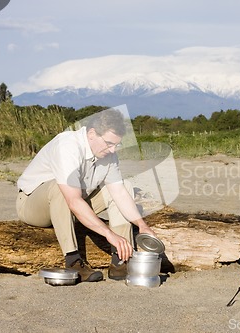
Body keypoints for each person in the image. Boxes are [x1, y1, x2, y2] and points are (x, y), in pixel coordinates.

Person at [16, 109, 155, 282]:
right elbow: (72, 200)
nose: (113, 150)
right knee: (60, 188)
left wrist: (142, 225)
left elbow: (119, 192)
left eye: (116, 145)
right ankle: (73, 260)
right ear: (91, 134)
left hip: (76, 203)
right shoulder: (67, 146)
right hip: (33, 205)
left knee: (125, 186)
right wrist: (108, 233)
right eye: (109, 143)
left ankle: (121, 260)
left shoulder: (108, 153)